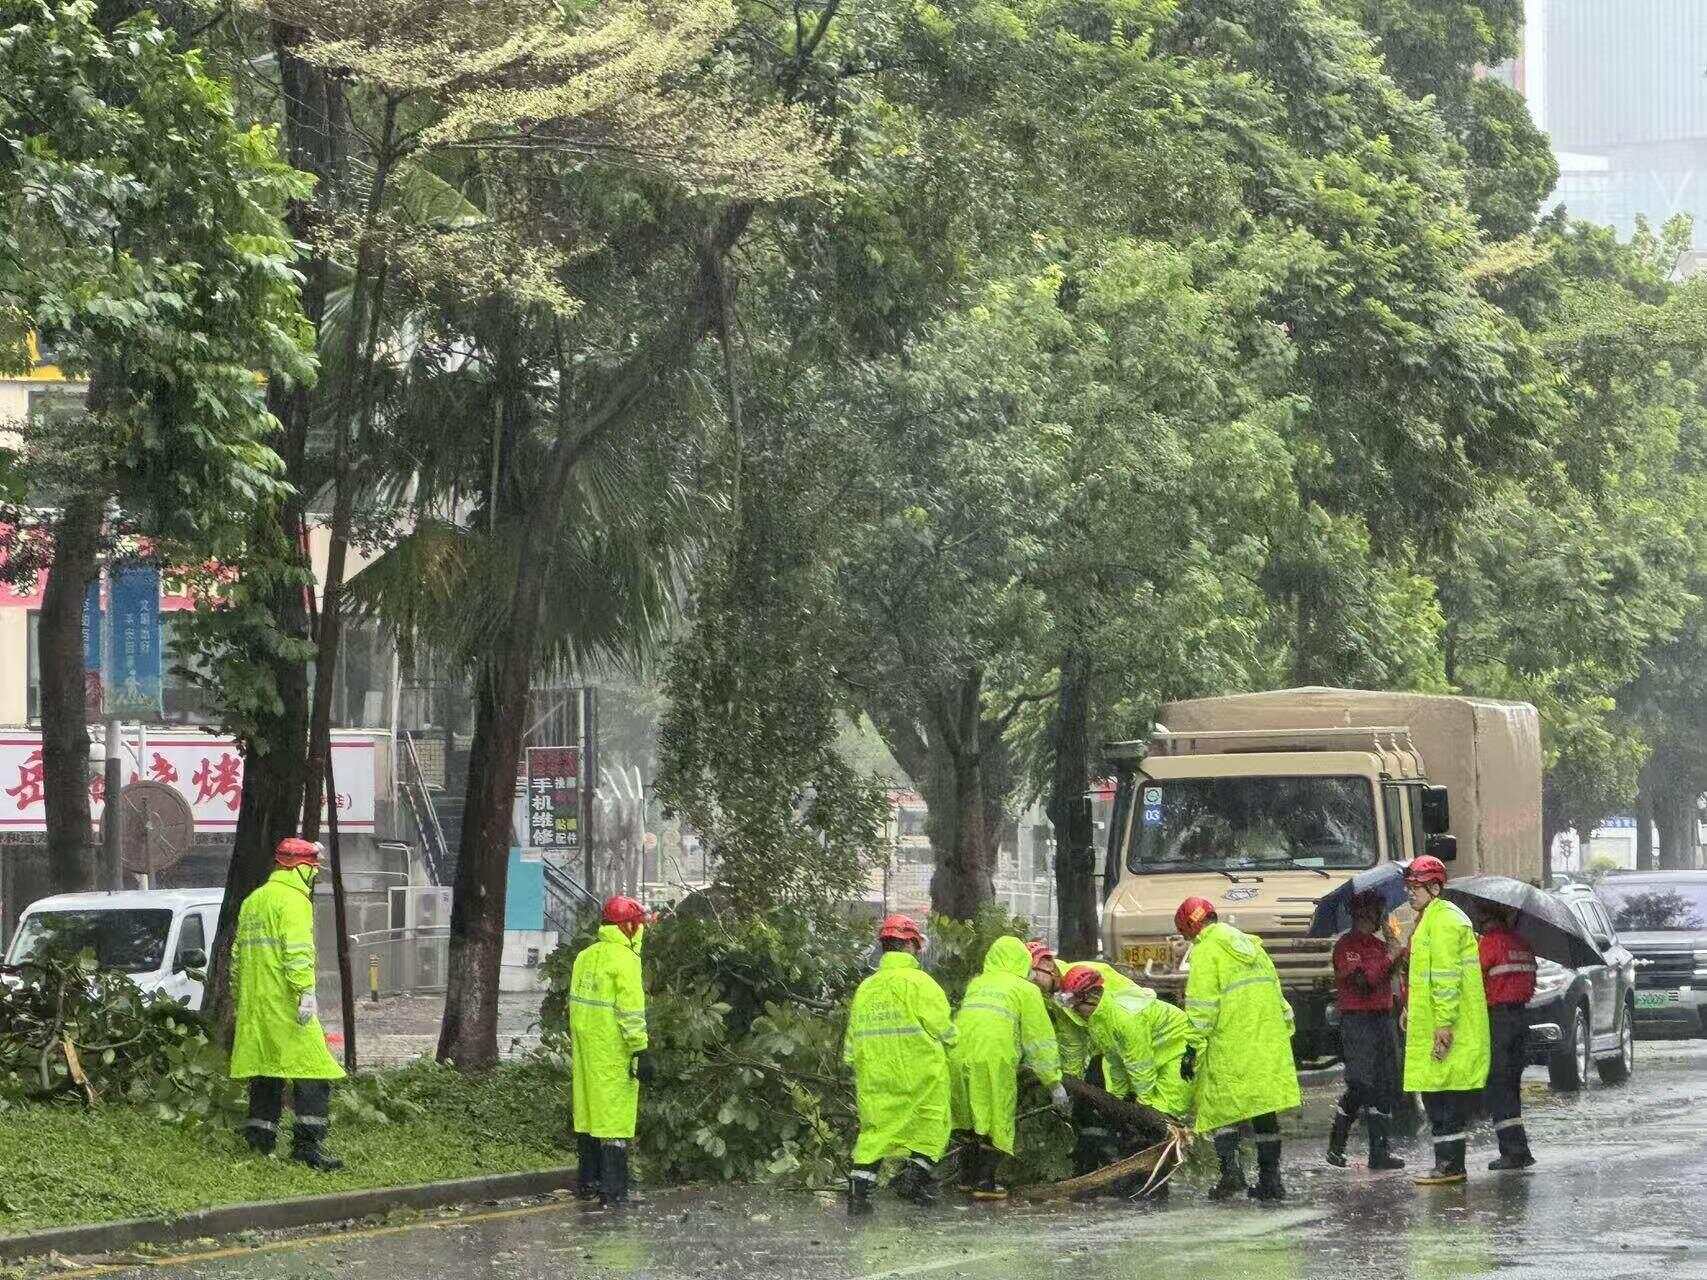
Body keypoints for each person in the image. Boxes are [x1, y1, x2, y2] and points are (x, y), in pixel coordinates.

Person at [229, 837, 345, 1171]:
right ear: (302, 867)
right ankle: (307, 1148)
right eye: (313, 868)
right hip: (288, 1005)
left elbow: (237, 958)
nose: (314, 875)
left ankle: (259, 1143)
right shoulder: (294, 901)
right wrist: (305, 992)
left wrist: (240, 999)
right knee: (313, 1073)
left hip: (257, 1008)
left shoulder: (254, 901)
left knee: (266, 1073)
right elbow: (297, 951)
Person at [1176, 896, 1301, 1201]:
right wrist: (1281, 1034)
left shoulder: (1207, 951)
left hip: (1229, 1042)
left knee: (1223, 1110)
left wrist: (1191, 1048)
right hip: (1266, 1041)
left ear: (1192, 926)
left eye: (1185, 934)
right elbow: (1277, 994)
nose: (1187, 940)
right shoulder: (1252, 947)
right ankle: (1271, 1180)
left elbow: (1202, 1006)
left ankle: (1231, 1176)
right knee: (1263, 1111)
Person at [844, 914, 956, 1214]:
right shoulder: (921, 983)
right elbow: (944, 1029)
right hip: (921, 1076)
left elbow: (852, 1038)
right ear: (910, 945)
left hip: (876, 1076)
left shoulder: (866, 988)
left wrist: (853, 1062)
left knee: (875, 1134)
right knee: (933, 1128)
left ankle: (858, 1194)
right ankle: (914, 1181)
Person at [949, 936, 1069, 1198]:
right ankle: (985, 1184)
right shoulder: (1024, 990)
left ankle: (967, 1179)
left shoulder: (977, 984)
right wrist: (1053, 1082)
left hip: (958, 1057)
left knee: (969, 1117)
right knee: (996, 1118)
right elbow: (1039, 1041)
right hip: (994, 1059)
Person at [1402, 855, 1491, 1186]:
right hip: (1438, 1024)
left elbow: (1445, 979)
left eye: (1416, 887)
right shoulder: (1432, 919)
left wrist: (1443, 1026)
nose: (1410, 893)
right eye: (1408, 887)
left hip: (1448, 1027)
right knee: (1437, 1097)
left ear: (1435, 887)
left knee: (1444, 1101)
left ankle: (1451, 1166)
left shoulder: (1444, 921)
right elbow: (1428, 978)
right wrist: (1411, 1008)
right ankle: (1447, 1164)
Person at [570, 895, 653, 1207]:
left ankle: (588, 1181)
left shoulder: (584, 957)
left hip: (585, 1049)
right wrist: (640, 1049)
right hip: (614, 1049)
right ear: (628, 927)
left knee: (589, 1114)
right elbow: (631, 1012)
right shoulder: (626, 961)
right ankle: (613, 1188)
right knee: (615, 1118)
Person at [1026, 942, 1136, 1173]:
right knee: (1087, 1106)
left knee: (1119, 1106)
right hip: (1106, 1049)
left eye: (1034, 977)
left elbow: (1124, 1017)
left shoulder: (1083, 977)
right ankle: (1093, 1164)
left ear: (1049, 965)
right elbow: (1072, 1043)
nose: (1034, 986)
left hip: (1128, 1046)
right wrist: (1071, 1084)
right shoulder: (1059, 997)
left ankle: (1123, 1162)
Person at [1326, 889, 1406, 1171]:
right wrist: (1389, 957)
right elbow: (1364, 981)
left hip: (1383, 1018)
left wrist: (1396, 946)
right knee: (1361, 1083)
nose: (1381, 917)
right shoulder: (1347, 946)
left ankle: (1380, 1152)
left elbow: (1395, 972)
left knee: (1384, 1084)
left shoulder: (1379, 944)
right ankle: (1337, 1144)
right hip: (1358, 1021)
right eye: (1379, 912)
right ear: (1365, 913)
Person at [1062, 964, 1192, 1120]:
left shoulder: (1124, 1017)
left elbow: (1140, 1064)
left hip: (1179, 1049)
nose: (1074, 1012)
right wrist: (1116, 1098)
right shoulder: (1098, 1019)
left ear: (1093, 997)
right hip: (1156, 1051)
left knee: (1164, 1111)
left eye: (1076, 1006)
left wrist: (1144, 1103)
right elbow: (1115, 1060)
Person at [1479, 905, 1537, 1171]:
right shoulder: (1522, 944)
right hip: (1521, 1019)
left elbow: (1475, 980)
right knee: (1511, 1083)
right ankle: (1519, 1148)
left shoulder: (1489, 944)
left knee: (1499, 1085)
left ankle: (1513, 1151)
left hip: (1498, 1020)